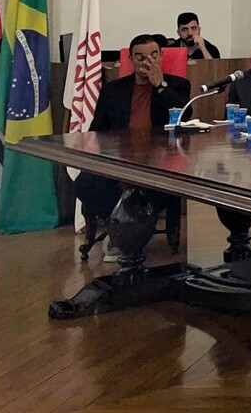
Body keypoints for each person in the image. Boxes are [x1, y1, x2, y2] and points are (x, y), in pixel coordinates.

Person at [77, 34, 191, 260]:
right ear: (130, 59)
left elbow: (186, 116)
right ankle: (120, 227)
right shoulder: (113, 89)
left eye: (153, 55)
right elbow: (97, 129)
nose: (146, 61)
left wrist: (160, 86)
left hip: (158, 161)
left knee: (151, 190)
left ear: (161, 56)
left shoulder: (177, 85)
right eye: (140, 57)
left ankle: (128, 233)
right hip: (119, 157)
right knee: (84, 182)